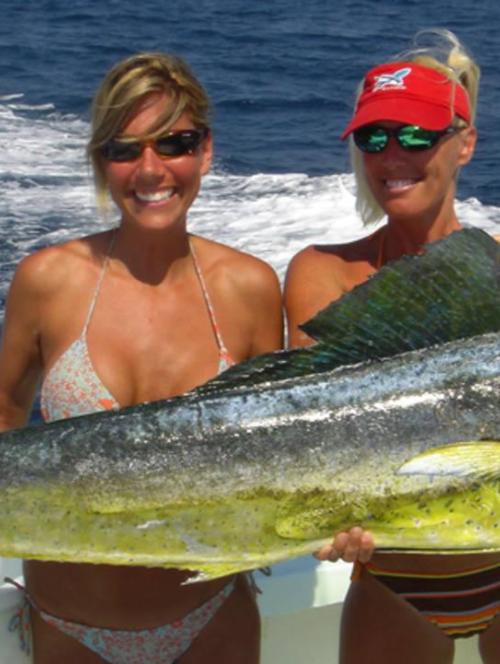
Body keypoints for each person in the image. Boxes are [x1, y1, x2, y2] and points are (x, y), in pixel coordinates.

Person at [0, 52, 283, 663]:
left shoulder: (251, 288)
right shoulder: (47, 281)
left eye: (174, 143)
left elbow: (277, 456)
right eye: (124, 150)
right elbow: (3, 419)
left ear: (205, 151)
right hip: (69, 626)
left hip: (212, 618)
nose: (150, 169)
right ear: (101, 163)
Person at [284, 30, 499, 664]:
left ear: (465, 143)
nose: (392, 156)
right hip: (393, 579)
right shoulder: (321, 273)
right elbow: (315, 443)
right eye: (374, 138)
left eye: (415, 136)